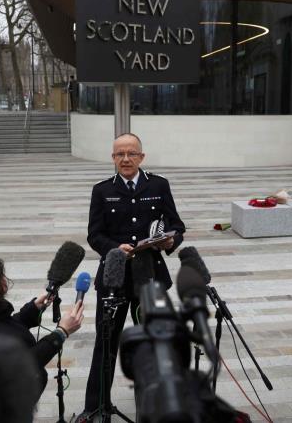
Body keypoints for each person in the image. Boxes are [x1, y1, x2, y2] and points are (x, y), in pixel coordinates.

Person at [76, 133, 186, 422]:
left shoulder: (159, 185)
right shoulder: (102, 190)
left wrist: (170, 241)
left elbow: (177, 225)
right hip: (114, 277)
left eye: (131, 153)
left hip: (150, 276)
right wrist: (115, 248)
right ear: (113, 158)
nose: (125, 159)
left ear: (141, 156)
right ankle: (96, 406)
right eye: (119, 154)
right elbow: (94, 234)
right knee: (106, 342)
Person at [0, 256, 84, 392]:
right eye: (1, 277)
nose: (5, 280)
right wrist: (61, 332)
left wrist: (33, 309)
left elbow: (7, 326)